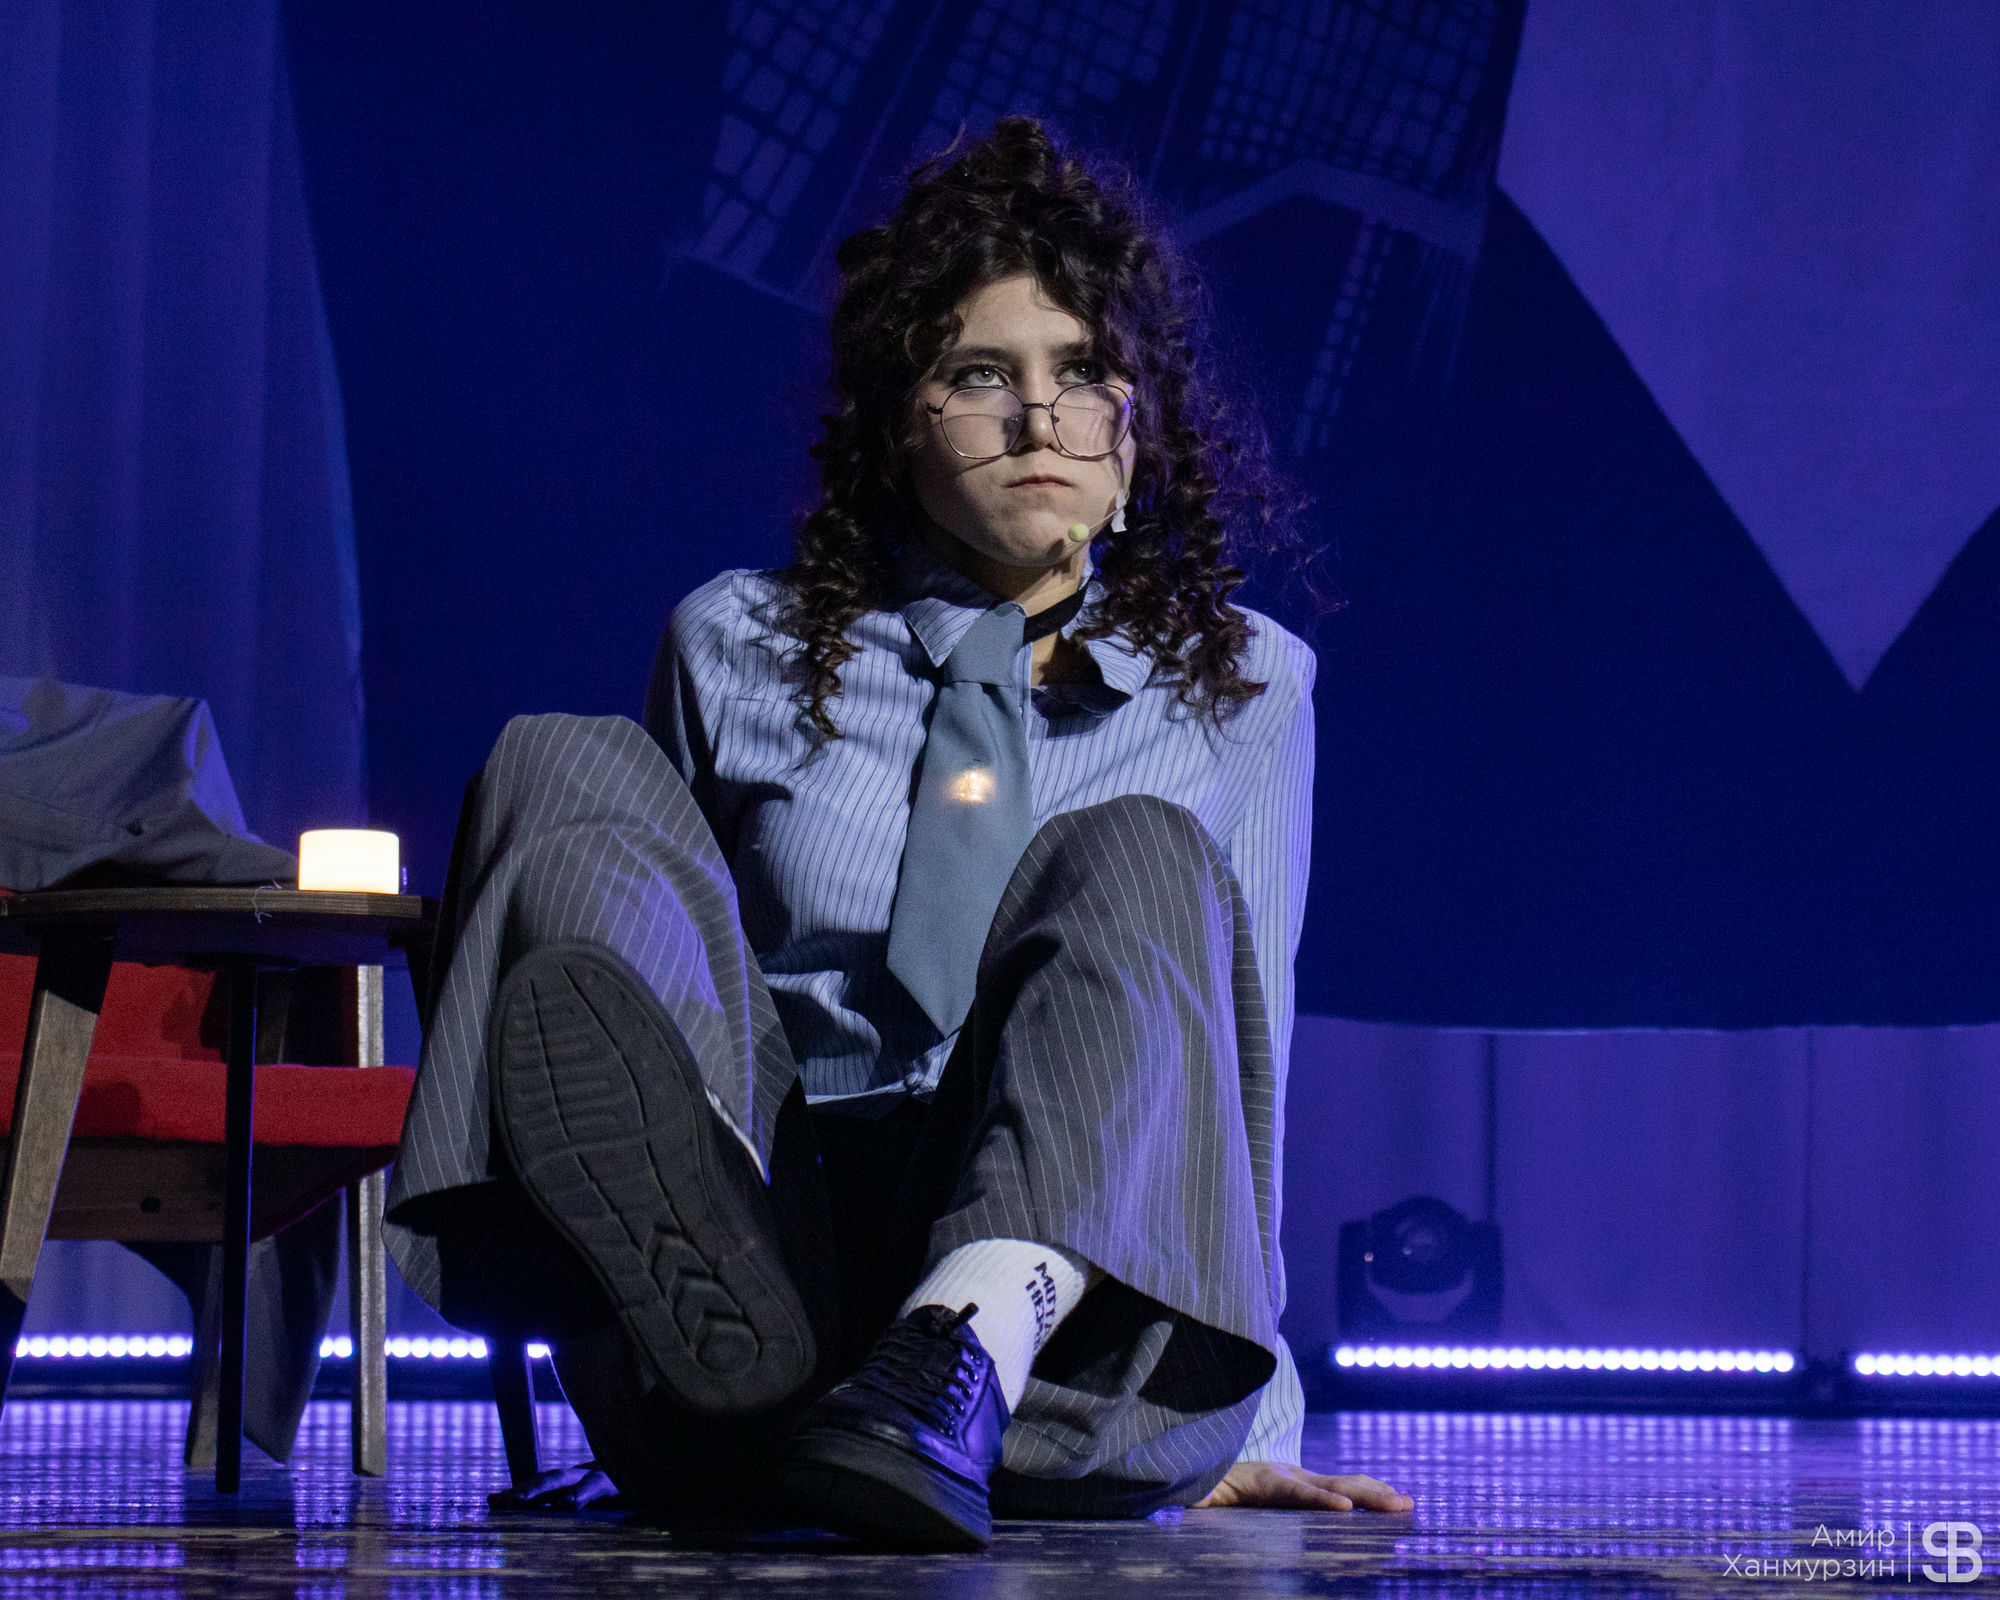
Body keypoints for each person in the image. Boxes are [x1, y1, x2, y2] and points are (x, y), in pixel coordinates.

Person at [383, 116, 1411, 1550]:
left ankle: (958, 1349)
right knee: (554, 763)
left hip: (1058, 1336)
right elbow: (664, 984)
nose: (1038, 421)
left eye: (1081, 379)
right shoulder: (736, 642)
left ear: (1137, 432)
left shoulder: (1246, 683)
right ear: (896, 422)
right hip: (775, 1277)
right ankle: (689, 1323)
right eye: (980, 376)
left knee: (1136, 852)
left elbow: (1245, 1065)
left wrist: (1252, 1414)